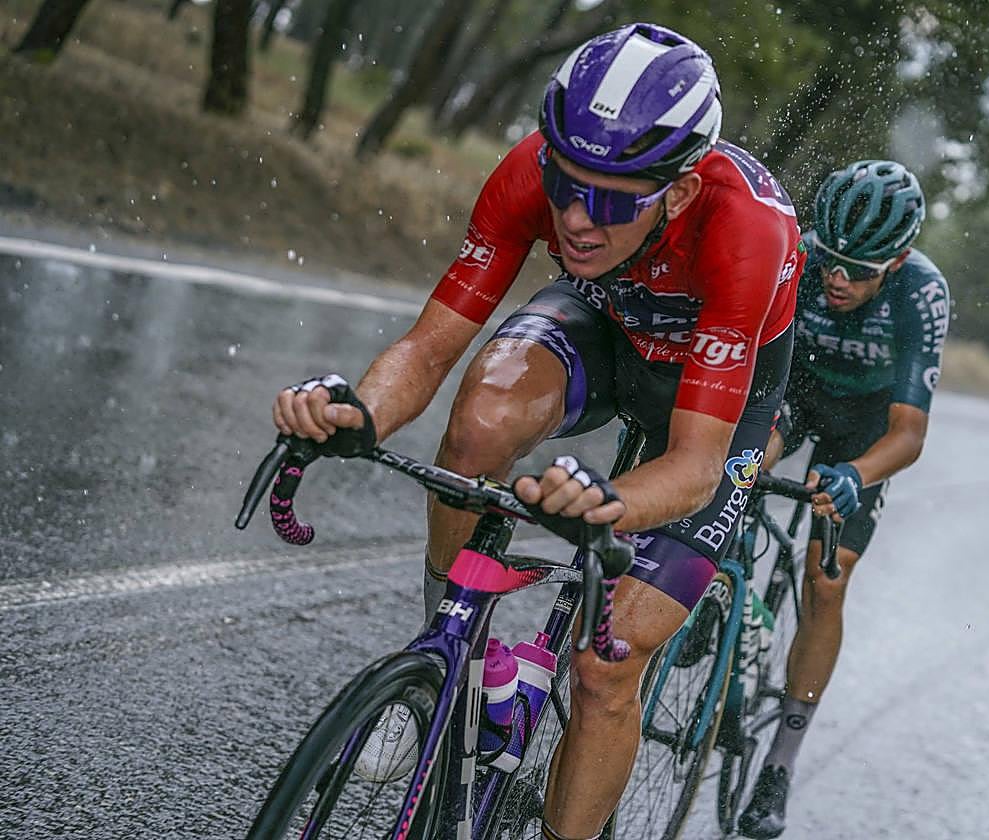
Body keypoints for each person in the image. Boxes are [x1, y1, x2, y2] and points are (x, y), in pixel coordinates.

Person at [271, 23, 805, 840]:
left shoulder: (746, 230)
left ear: (679, 194)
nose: (578, 220)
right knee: (480, 420)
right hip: (608, 322)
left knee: (605, 666)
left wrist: (604, 505)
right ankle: (444, 658)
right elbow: (429, 346)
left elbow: (696, 465)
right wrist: (360, 410)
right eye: (564, 183)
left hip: (718, 399)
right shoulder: (530, 170)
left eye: (614, 200)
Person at [737, 160, 950, 838]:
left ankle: (780, 762)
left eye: (859, 271)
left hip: (865, 427)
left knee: (826, 580)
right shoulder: (800, 258)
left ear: (897, 262)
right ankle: (717, 583)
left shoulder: (921, 293)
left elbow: (909, 433)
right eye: (831, 259)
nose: (837, 278)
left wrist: (856, 474)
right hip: (794, 393)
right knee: (735, 470)